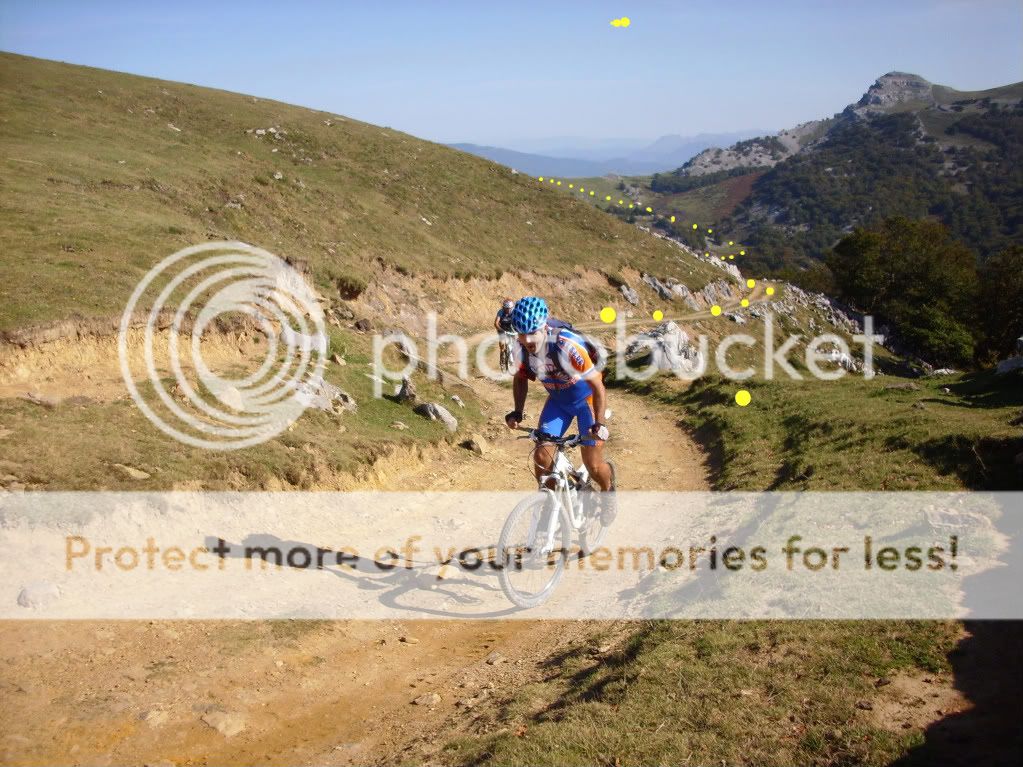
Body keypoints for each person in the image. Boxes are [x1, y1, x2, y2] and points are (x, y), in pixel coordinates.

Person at [504, 296, 615, 523]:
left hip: (587, 401)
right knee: (542, 457)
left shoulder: (567, 344)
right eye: (521, 333)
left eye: (532, 332)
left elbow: (598, 385)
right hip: (558, 402)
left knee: (593, 465)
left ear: (544, 326)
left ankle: (608, 491)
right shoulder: (521, 348)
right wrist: (517, 411)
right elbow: (521, 380)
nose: (526, 339)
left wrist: (600, 424)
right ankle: (549, 503)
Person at [494, 298, 516, 373]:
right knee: (502, 345)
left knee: (516, 344)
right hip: (502, 328)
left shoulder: (514, 312)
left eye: (509, 309)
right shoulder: (500, 312)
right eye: (506, 309)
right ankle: (502, 360)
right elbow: (496, 323)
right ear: (503, 308)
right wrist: (501, 330)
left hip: (511, 328)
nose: (507, 310)